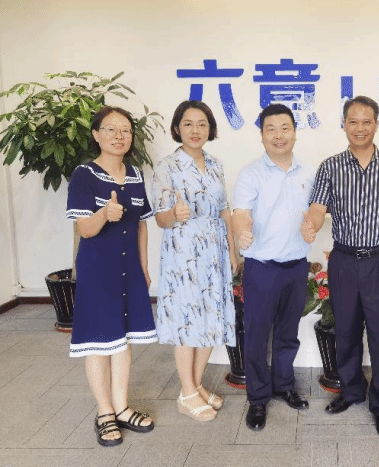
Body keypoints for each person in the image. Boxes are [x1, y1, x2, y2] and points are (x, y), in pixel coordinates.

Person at [304, 95, 379, 438]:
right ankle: (352, 391)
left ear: (376, 124)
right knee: (347, 331)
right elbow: (318, 208)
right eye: (353, 121)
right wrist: (310, 224)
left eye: (367, 121)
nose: (360, 128)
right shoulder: (330, 166)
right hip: (343, 260)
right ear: (344, 125)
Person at [66, 106, 157, 447]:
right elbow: (84, 229)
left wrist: (144, 266)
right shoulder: (84, 174)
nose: (119, 136)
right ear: (96, 134)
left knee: (123, 338)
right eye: (111, 129)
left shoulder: (135, 174)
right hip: (98, 271)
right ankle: (104, 411)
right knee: (99, 340)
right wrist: (104, 213)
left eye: (126, 130)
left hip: (129, 269)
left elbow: (142, 225)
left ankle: (121, 407)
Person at [152, 100, 237, 422]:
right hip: (183, 253)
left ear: (210, 128)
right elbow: (160, 218)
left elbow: (225, 211)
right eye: (188, 124)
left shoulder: (215, 164)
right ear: (177, 128)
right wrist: (174, 214)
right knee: (187, 320)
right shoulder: (167, 166)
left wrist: (232, 253)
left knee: (211, 318)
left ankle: (196, 385)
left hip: (214, 251)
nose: (195, 130)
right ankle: (187, 392)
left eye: (202, 124)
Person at [232, 104, 315, 431]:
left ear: (294, 132)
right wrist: (243, 230)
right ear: (262, 135)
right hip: (262, 268)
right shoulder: (251, 173)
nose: (279, 135)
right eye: (271, 129)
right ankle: (257, 398)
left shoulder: (309, 172)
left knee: (287, 333)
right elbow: (241, 212)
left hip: (296, 266)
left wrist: (313, 226)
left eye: (285, 128)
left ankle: (284, 386)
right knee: (256, 335)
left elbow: (316, 213)